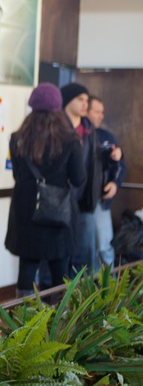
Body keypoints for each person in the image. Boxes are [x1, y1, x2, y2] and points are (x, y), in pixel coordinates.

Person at [6, 83, 85, 297]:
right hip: (57, 212)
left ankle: (24, 323)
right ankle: (60, 323)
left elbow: (17, 176)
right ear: (57, 106)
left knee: (27, 268)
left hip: (26, 211)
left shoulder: (17, 138)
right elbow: (79, 179)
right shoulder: (70, 140)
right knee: (60, 269)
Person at [60, 83, 121, 276]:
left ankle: (86, 303)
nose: (84, 104)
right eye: (80, 99)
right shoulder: (57, 128)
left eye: (87, 100)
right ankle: (54, 303)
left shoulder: (91, 131)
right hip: (59, 203)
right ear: (68, 100)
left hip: (86, 202)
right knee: (57, 257)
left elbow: (100, 163)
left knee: (86, 257)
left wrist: (115, 162)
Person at [86, 95, 125, 266]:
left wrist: (115, 184)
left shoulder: (107, 137)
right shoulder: (77, 134)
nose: (101, 116)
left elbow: (121, 166)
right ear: (85, 111)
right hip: (80, 203)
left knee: (105, 248)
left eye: (102, 112)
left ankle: (112, 290)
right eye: (97, 112)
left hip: (101, 202)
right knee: (87, 251)